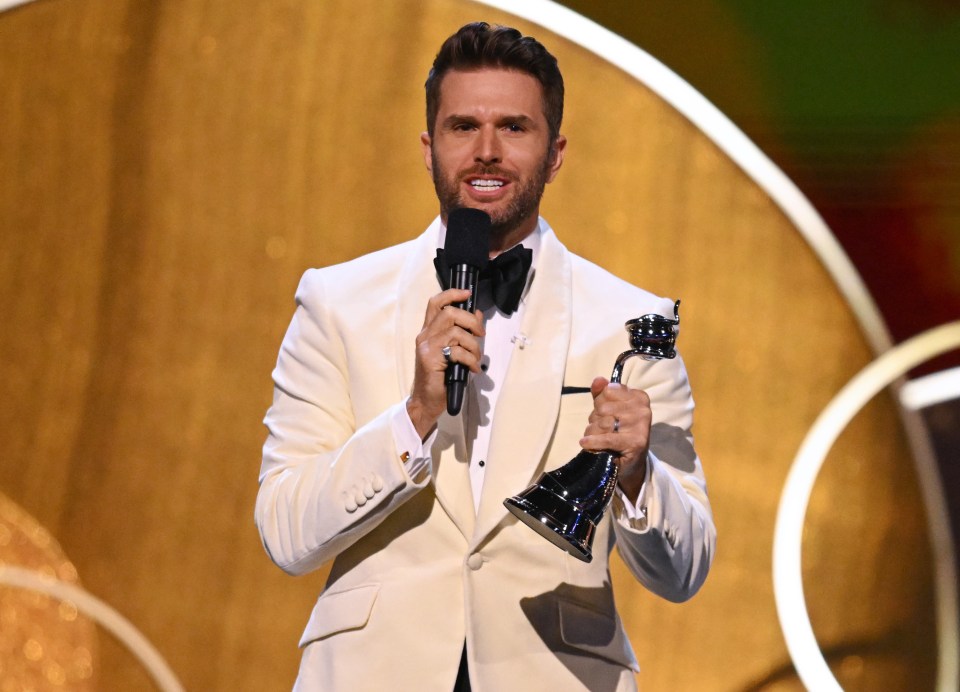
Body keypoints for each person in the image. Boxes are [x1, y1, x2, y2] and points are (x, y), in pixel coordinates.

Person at [256, 21, 715, 692]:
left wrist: (639, 476)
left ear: (555, 154)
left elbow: (684, 570)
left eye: (515, 128)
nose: (487, 152)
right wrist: (413, 417)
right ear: (428, 146)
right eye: (463, 126)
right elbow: (286, 531)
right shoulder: (337, 302)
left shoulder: (629, 322)